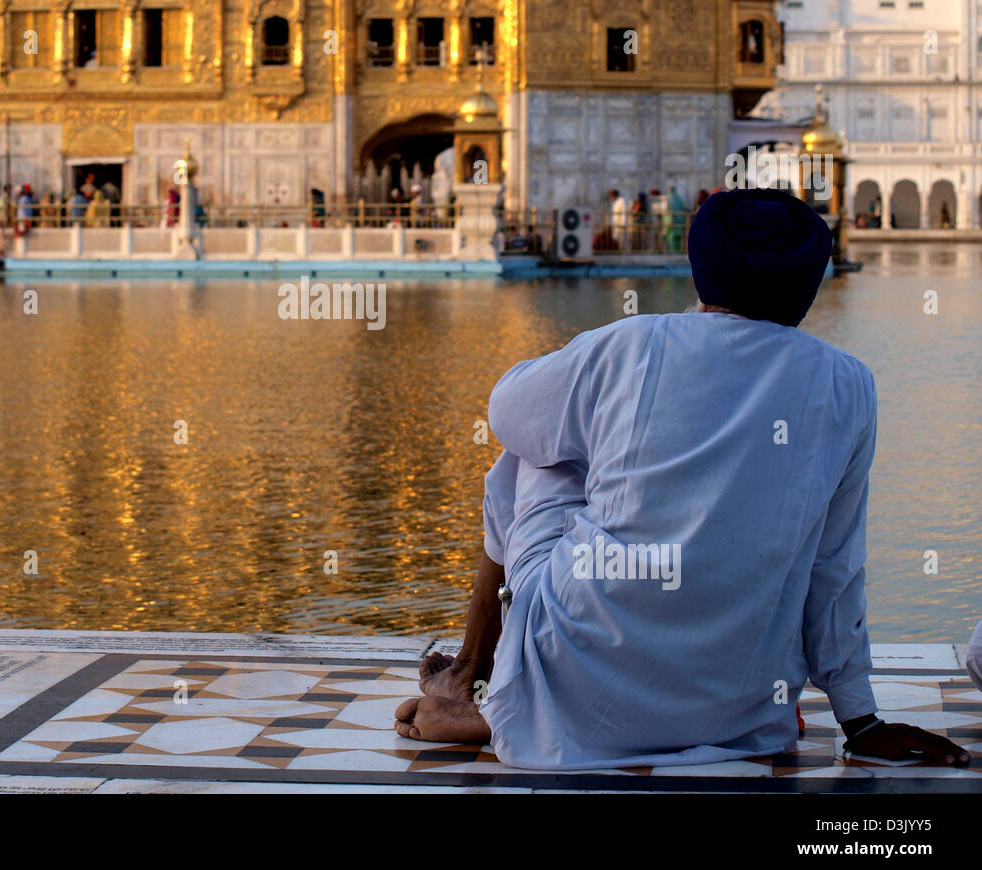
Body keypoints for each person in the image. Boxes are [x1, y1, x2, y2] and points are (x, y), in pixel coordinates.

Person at [395, 188, 971, 771]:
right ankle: (500, 689)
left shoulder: (634, 343)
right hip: (740, 709)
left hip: (576, 681)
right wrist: (861, 720)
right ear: (810, 282)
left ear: (701, 268)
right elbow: (835, 566)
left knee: (533, 451)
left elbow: (505, 412)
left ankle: (479, 679)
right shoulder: (848, 384)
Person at [666, 185, 688, 253]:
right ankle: (679, 251)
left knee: (672, 237)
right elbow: (684, 208)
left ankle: (675, 252)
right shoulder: (679, 198)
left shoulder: (670, 199)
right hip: (680, 221)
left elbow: (669, 210)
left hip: (673, 222)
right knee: (679, 237)